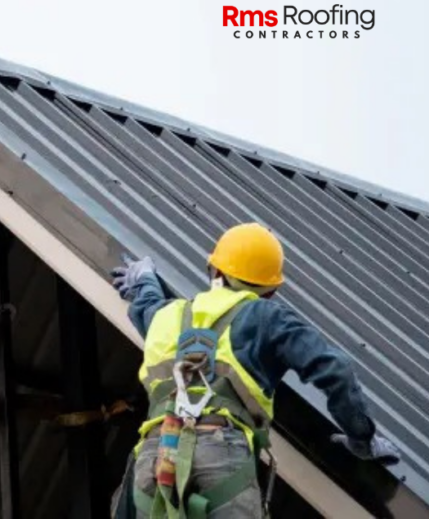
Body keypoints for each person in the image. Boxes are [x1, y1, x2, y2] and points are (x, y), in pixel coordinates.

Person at [109, 222, 400, 519]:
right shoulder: (266, 317)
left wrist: (144, 278)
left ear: (214, 270)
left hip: (156, 460)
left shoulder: (166, 316)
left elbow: (147, 305)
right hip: (221, 458)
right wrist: (361, 437)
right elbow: (336, 369)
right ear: (270, 291)